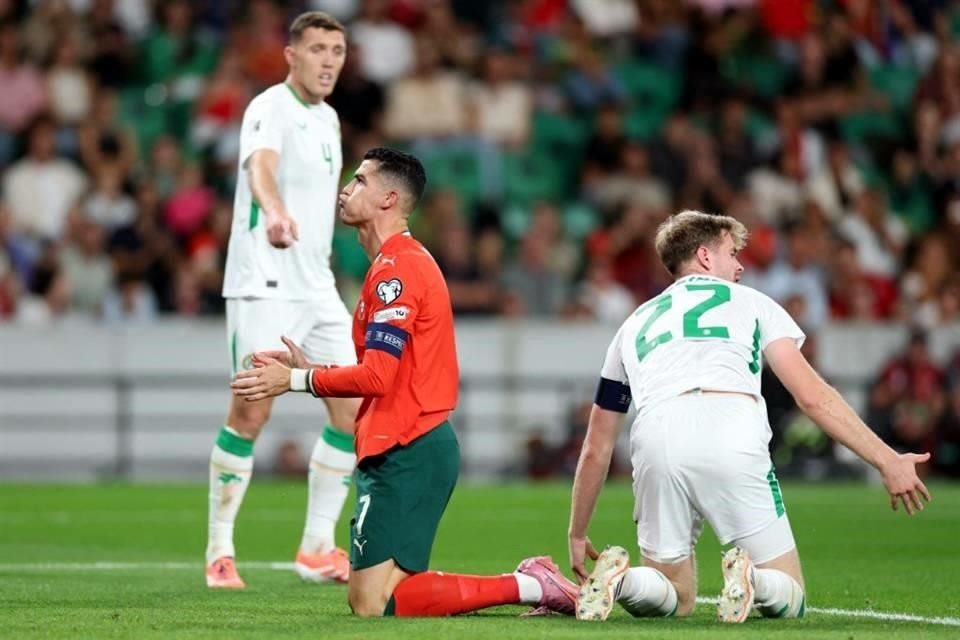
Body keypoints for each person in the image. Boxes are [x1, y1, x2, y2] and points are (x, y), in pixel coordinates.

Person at [232, 147, 579, 618]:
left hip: (410, 445)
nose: (346, 189)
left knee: (371, 603)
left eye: (359, 181)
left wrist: (294, 379)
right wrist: (311, 365)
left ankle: (530, 585)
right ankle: (530, 583)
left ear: (388, 199)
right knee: (379, 598)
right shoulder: (389, 266)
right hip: (403, 442)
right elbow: (384, 374)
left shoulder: (398, 270)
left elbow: (377, 376)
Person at [568, 210, 932, 624]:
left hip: (656, 434)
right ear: (705, 256)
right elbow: (812, 397)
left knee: (675, 594)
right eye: (732, 252)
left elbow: (597, 446)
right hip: (730, 424)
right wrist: (887, 459)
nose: (740, 265)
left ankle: (623, 581)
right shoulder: (753, 303)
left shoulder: (632, 323)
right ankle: (755, 581)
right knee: (790, 595)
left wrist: (578, 532)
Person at [208, 11, 360, 589]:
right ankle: (220, 551)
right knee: (253, 410)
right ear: (291, 54)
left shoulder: (329, 120)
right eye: (318, 48)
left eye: (338, 51)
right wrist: (273, 212)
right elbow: (261, 168)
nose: (328, 60)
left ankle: (317, 547)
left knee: (352, 406)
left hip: (316, 284)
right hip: (263, 280)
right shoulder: (270, 106)